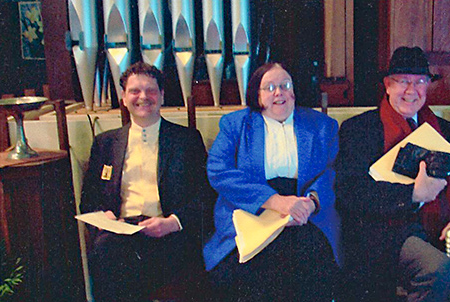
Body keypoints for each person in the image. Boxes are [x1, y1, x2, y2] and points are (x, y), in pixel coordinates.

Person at [335, 46, 450, 302]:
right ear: (387, 85)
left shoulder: (446, 131)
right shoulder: (360, 129)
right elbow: (350, 193)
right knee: (438, 270)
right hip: (386, 234)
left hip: (444, 225)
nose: (411, 90)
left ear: (428, 85)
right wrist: (414, 194)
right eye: (403, 82)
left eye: (420, 81)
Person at [203, 62, 340, 301]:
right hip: (250, 212)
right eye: (269, 87)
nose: (279, 92)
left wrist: (311, 202)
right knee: (255, 269)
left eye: (285, 85)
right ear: (257, 94)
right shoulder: (236, 124)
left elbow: (332, 171)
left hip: (306, 216)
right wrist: (274, 200)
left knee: (310, 264)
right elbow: (218, 170)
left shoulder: (321, 126)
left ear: (294, 91)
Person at [80, 62, 213, 302]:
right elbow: (88, 199)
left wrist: (173, 222)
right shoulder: (105, 143)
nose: (143, 97)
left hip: (169, 233)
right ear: (123, 97)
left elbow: (206, 196)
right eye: (135, 91)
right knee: (105, 251)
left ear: (162, 96)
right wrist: (102, 218)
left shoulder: (186, 140)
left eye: (151, 90)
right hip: (120, 235)